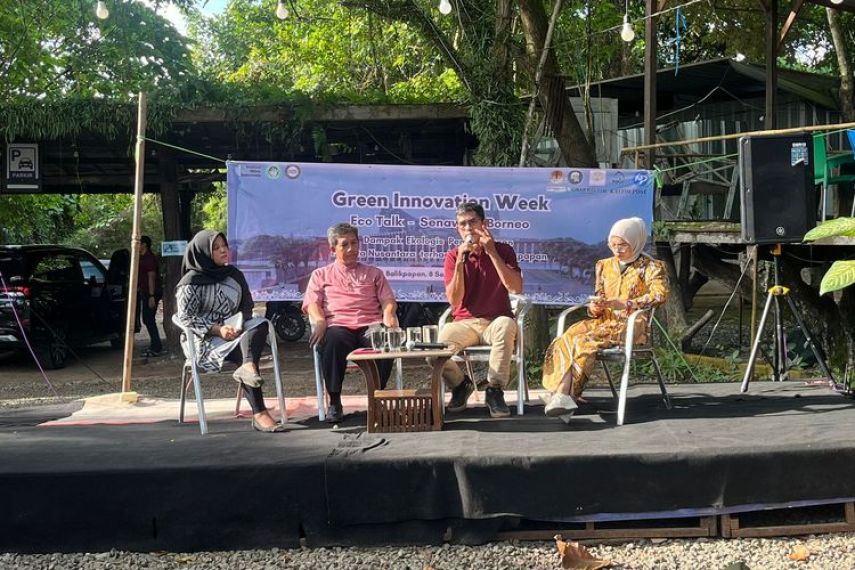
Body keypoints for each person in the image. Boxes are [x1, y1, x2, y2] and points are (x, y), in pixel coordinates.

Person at [541, 217, 669, 420]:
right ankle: (563, 394)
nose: (617, 250)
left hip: (631, 323)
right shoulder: (604, 265)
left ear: (635, 242)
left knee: (584, 341)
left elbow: (660, 295)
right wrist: (595, 306)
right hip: (604, 321)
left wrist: (627, 303)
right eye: (613, 245)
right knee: (567, 336)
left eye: (622, 245)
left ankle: (565, 394)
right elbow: (599, 298)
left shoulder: (652, 267)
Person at [175, 230, 286, 433]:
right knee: (244, 353)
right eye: (216, 248)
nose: (223, 250)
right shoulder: (190, 282)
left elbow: (247, 306)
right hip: (203, 340)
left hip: (236, 332)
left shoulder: (234, 274)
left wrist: (238, 324)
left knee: (260, 325)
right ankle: (260, 412)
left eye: (224, 245)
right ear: (203, 252)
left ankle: (248, 365)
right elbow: (185, 318)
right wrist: (217, 329)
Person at [302, 223, 398, 423]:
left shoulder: (374, 273)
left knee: (384, 340)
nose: (351, 249)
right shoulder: (321, 275)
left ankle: (377, 397)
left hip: (369, 324)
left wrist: (388, 315)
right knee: (332, 340)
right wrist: (320, 320)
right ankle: (335, 401)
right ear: (332, 249)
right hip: (338, 325)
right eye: (344, 244)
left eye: (354, 243)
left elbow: (387, 300)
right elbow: (312, 303)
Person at [437, 202, 523, 418]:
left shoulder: (503, 250)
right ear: (457, 229)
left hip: (496, 321)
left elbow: (515, 287)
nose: (468, 228)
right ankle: (460, 385)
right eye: (462, 224)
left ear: (484, 225)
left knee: (506, 324)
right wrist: (460, 263)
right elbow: (455, 301)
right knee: (435, 349)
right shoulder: (453, 256)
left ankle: (494, 390)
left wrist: (491, 251)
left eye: (472, 222)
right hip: (464, 323)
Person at [136, 236, 163, 356]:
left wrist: (152, 295)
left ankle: (156, 347)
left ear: (144, 244)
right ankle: (154, 345)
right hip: (145, 291)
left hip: (152, 292)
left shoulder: (149, 259)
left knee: (149, 319)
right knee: (147, 319)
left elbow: (151, 276)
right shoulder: (140, 258)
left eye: (139, 243)